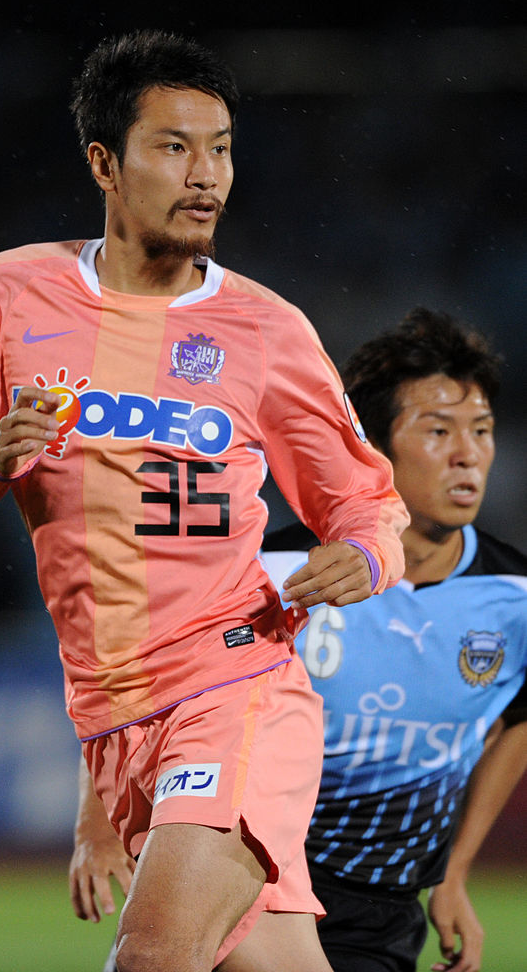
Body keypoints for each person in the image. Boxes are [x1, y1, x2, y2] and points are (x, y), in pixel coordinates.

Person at [0, 29, 408, 972]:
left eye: (221, 149)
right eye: (174, 147)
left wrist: (364, 555)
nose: (207, 174)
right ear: (104, 163)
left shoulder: (267, 329)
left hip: (238, 690)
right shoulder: (15, 292)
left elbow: (366, 499)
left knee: (154, 955)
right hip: (113, 722)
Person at [75, 307, 527, 972]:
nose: (468, 454)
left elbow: (517, 718)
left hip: (384, 911)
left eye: (482, 431)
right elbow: (148, 673)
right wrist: (96, 824)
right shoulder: (270, 568)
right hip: (253, 876)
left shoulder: (514, 597)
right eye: (438, 430)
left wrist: (454, 873)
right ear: (371, 448)